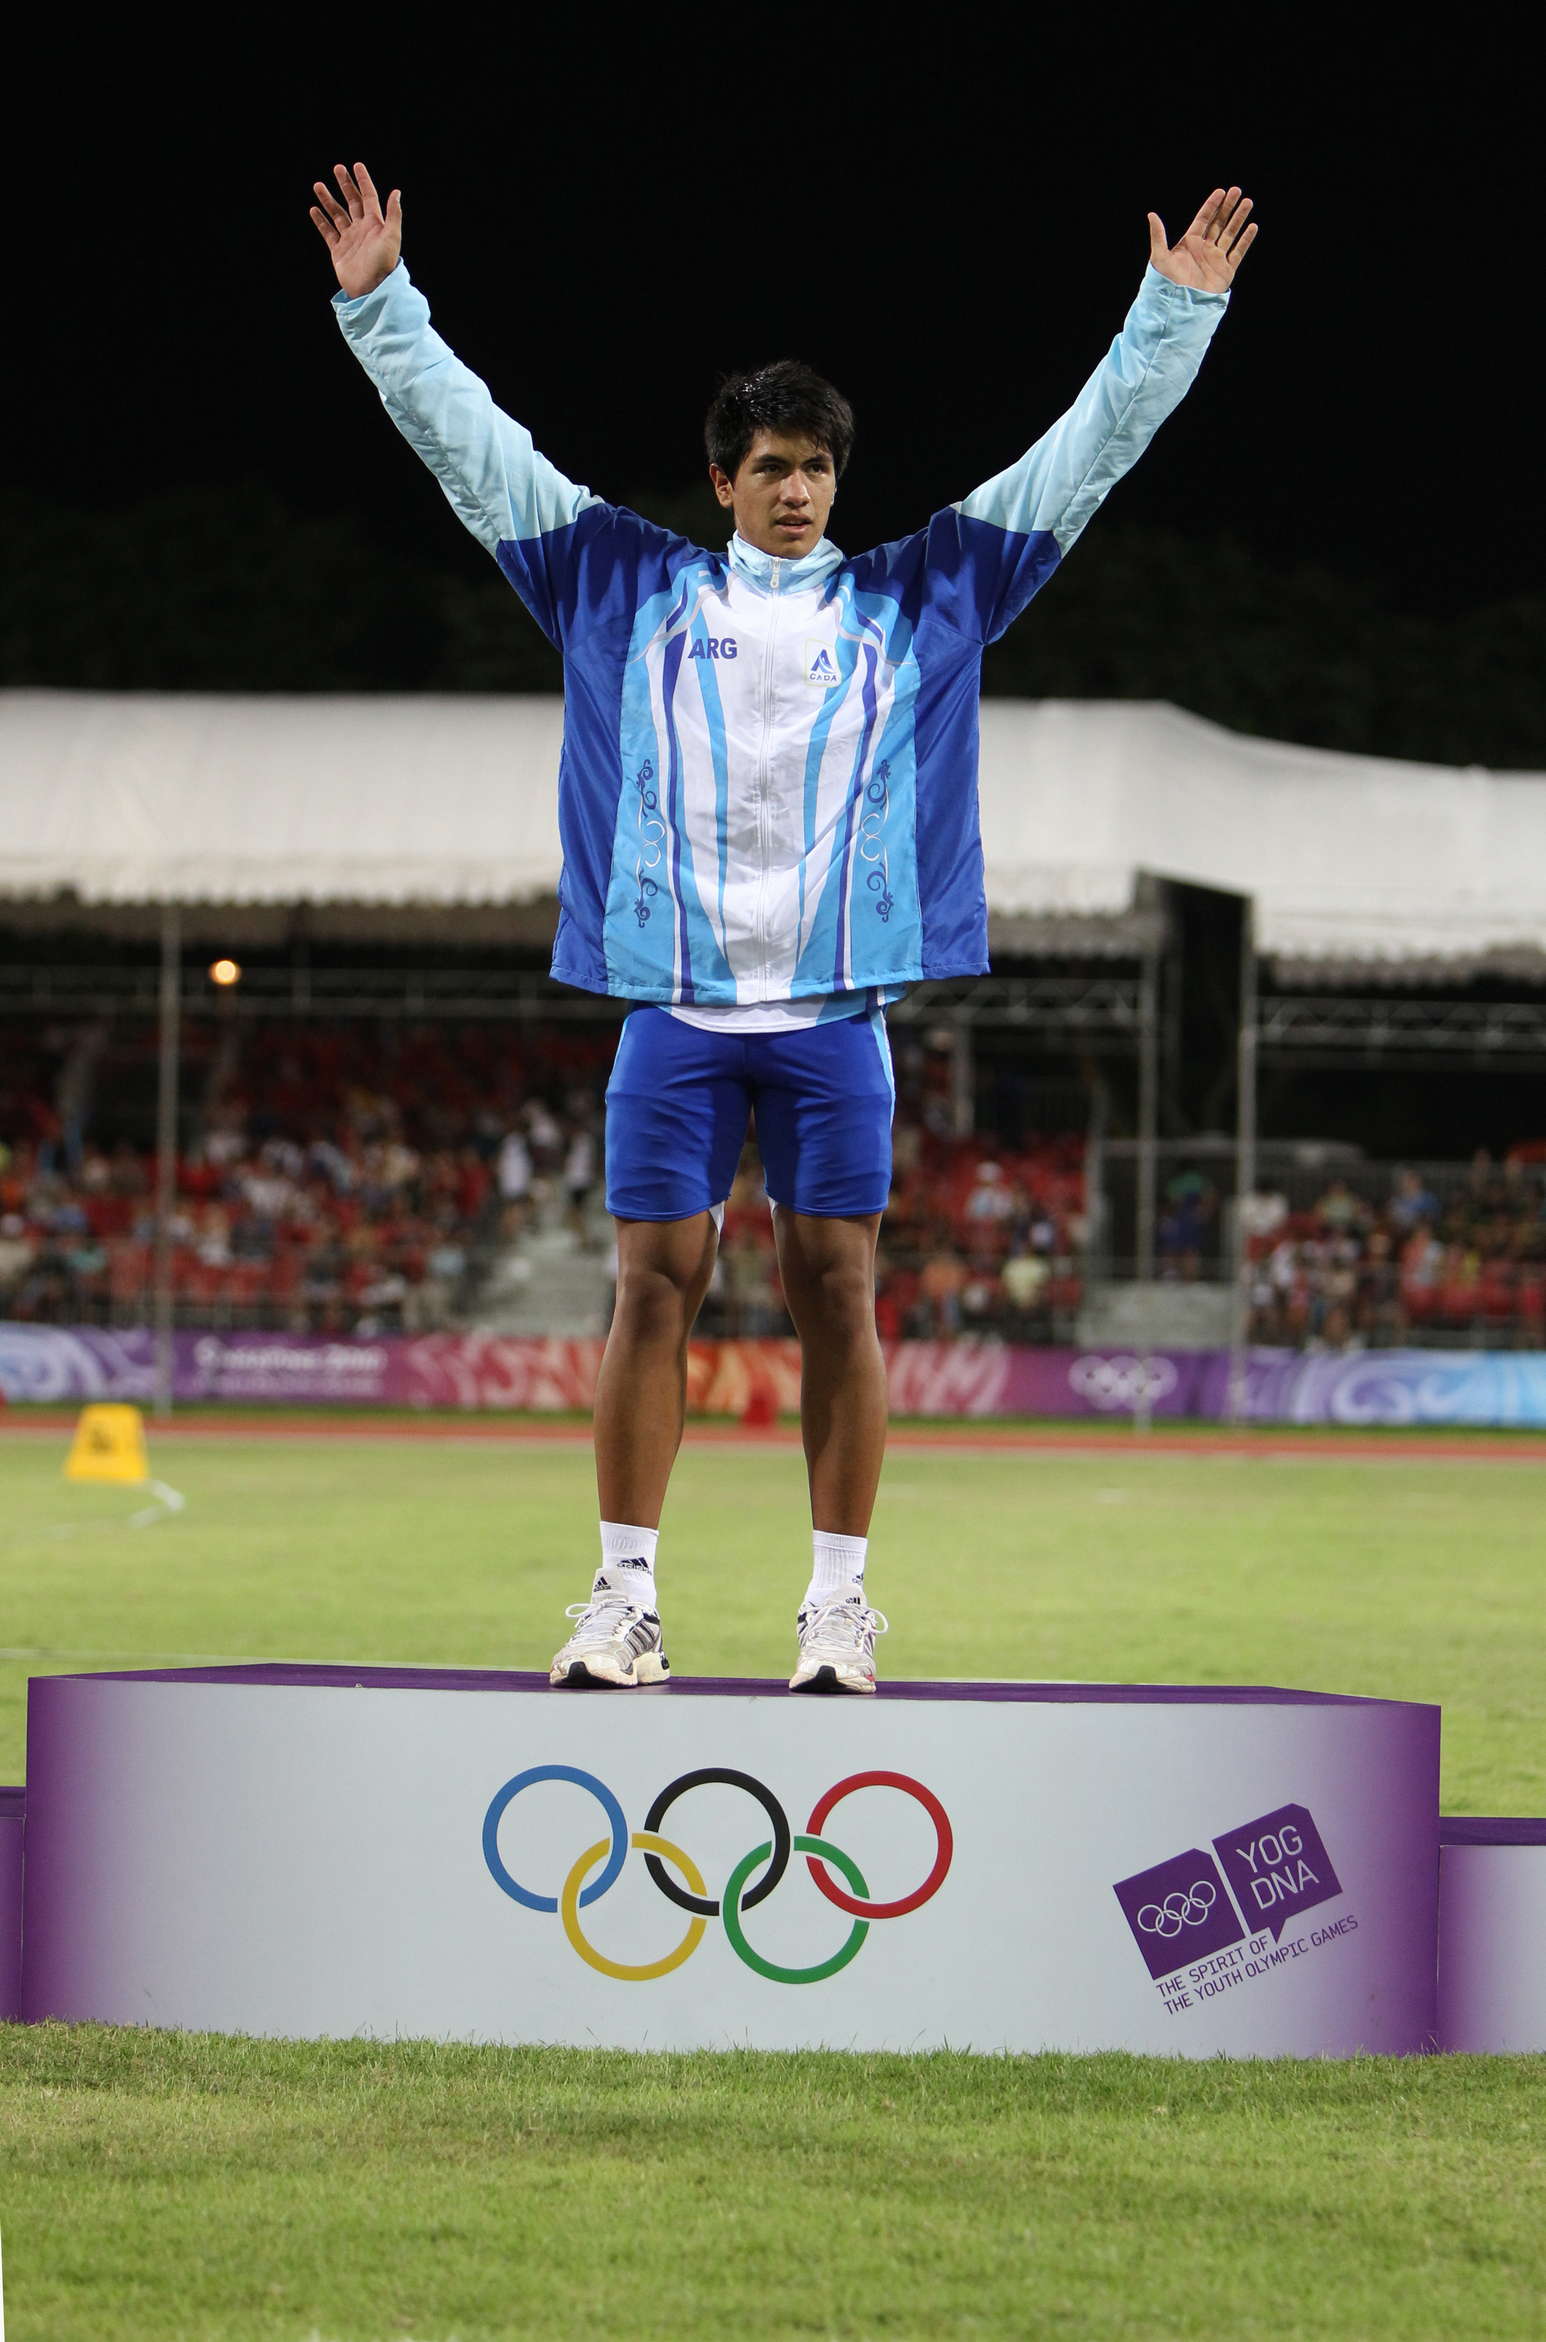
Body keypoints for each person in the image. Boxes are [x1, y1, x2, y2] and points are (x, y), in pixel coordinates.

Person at [311, 160, 1256, 1693]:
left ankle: (835, 1606)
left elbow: (1079, 458)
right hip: (675, 1005)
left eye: (816, 464)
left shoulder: (925, 594)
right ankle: (623, 1602)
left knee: (836, 1293)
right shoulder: (615, 583)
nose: (798, 488)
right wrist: (380, 310)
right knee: (650, 1288)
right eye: (770, 465)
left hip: (833, 1012)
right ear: (723, 480)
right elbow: (475, 452)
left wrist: (1171, 317)